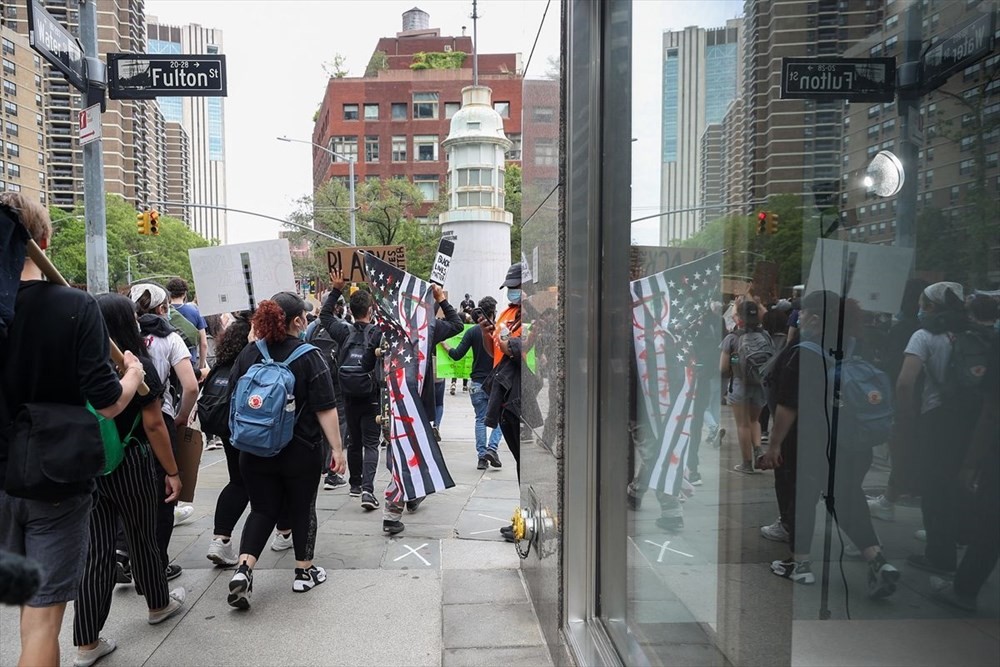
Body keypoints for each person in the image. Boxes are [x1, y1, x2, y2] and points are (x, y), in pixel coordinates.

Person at [0, 191, 145, 667]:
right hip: (52, 481)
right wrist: (132, 378)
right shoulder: (74, 306)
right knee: (43, 618)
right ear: (43, 239)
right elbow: (106, 404)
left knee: (27, 603)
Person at [759, 290, 900, 599]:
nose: (799, 318)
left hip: (809, 440)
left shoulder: (804, 351)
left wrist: (774, 445)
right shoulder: (851, 344)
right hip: (849, 439)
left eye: (803, 314)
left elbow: (787, 405)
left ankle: (800, 565)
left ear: (816, 317)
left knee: (802, 499)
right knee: (847, 499)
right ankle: (877, 559)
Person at [72, 294, 187, 667]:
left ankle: (86, 643)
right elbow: (154, 425)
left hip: (90, 465)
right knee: (143, 537)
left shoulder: (78, 365)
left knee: (96, 553)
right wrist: (172, 471)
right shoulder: (135, 367)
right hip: (133, 462)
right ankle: (157, 604)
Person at [226, 292, 346, 610]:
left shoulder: (250, 352)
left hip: (253, 450)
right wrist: (337, 449)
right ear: (297, 321)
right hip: (300, 451)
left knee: (262, 509)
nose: (307, 319)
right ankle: (304, 572)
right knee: (303, 507)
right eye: (304, 316)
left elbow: (235, 397)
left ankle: (244, 568)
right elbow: (326, 408)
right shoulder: (309, 355)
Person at [896, 282, 986, 577]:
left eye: (922, 304)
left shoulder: (923, 336)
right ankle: (967, 539)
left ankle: (940, 556)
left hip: (936, 419)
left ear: (931, 307)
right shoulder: (972, 333)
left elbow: (905, 383)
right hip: (970, 420)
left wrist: (907, 418)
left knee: (934, 489)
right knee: (958, 483)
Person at [131, 283, 200, 580]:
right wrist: (182, 416)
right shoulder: (170, 338)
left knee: (131, 492)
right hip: (161, 420)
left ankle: (128, 556)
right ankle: (157, 564)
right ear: (163, 308)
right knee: (166, 493)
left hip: (123, 425)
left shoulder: (119, 336)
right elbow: (191, 386)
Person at [319, 277, 383, 510]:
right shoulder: (378, 333)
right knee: (371, 443)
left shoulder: (343, 332)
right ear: (370, 310)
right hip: (372, 395)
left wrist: (336, 289)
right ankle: (368, 490)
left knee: (354, 441)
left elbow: (324, 316)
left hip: (348, 394)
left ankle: (355, 485)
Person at [480, 263, 525, 541]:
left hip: (523, 394)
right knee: (521, 462)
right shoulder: (507, 313)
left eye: (515, 287)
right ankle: (525, 515)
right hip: (504, 395)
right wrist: (488, 333)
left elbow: (519, 350)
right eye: (509, 287)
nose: (511, 292)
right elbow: (495, 349)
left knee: (527, 463)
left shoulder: (535, 315)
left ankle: (529, 517)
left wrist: (506, 344)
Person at [442, 296, 504, 469]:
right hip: (496, 382)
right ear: (493, 312)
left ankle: (482, 457)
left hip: (476, 382)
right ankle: (492, 448)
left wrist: (445, 346)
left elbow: (457, 355)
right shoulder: (500, 330)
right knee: (500, 418)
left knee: (480, 419)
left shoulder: (472, 332)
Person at [720, 299, 773, 473]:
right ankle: (758, 449)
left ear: (739, 318)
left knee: (742, 424)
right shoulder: (766, 335)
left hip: (740, 384)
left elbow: (723, 367)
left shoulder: (732, 338)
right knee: (754, 420)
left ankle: (746, 463)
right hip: (759, 384)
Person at [165, 278, 208, 376]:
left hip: (168, 360)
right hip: (189, 360)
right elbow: (204, 343)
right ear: (185, 294)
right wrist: (201, 366)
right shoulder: (195, 311)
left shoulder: (163, 311)